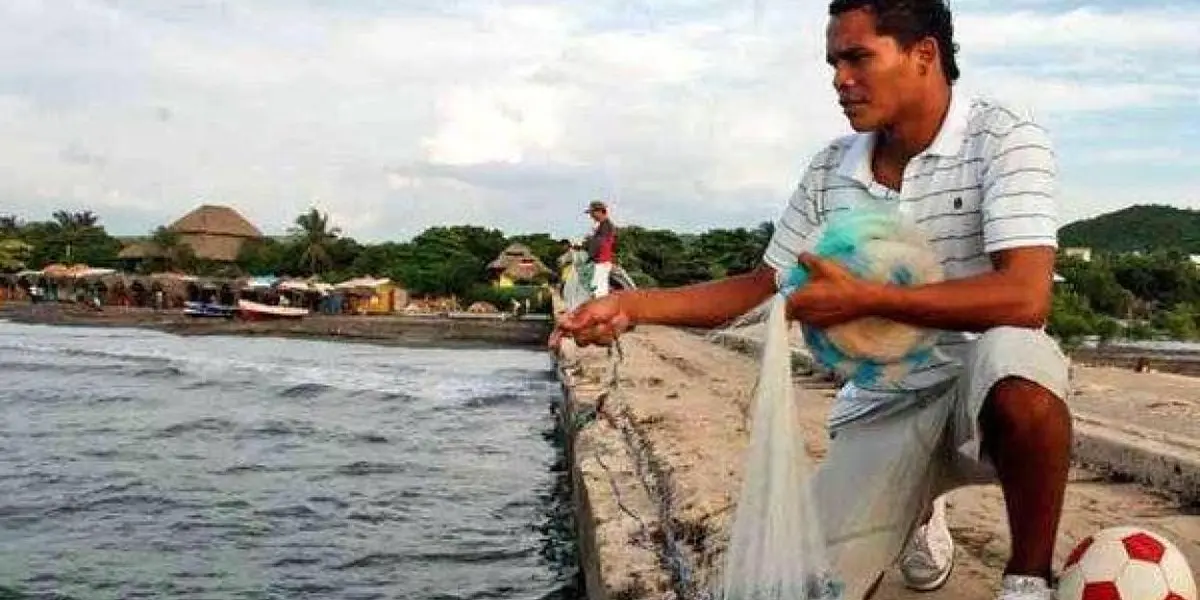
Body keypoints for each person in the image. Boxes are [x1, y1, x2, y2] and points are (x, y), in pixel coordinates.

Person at [549, 0, 1069, 598]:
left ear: (925, 53)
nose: (840, 80)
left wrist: (866, 299)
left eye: (858, 58)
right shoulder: (830, 171)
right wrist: (631, 307)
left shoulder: (1003, 138)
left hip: (981, 389)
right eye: (833, 63)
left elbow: (1026, 296)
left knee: (1017, 365)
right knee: (801, 588)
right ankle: (914, 504)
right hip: (883, 402)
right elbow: (763, 284)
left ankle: (1029, 578)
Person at [584, 200, 618, 298]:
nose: (591, 216)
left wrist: (589, 256)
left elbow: (599, 245)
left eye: (592, 213)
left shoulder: (605, 226)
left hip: (601, 262)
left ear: (599, 211)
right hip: (602, 261)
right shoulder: (604, 226)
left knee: (598, 293)